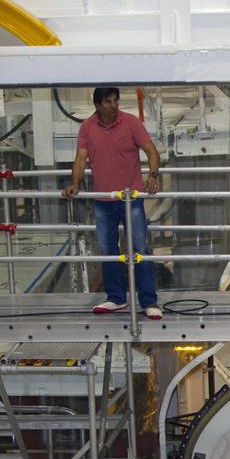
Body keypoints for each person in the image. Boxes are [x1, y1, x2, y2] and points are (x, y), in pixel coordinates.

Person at [62, 87, 163, 320]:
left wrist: (153, 175)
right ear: (97, 105)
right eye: (108, 102)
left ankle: (148, 301)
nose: (114, 106)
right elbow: (80, 160)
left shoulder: (131, 123)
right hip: (102, 201)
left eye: (116, 101)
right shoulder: (87, 127)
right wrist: (74, 184)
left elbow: (152, 152)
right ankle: (116, 298)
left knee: (140, 248)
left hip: (131, 199)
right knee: (108, 250)